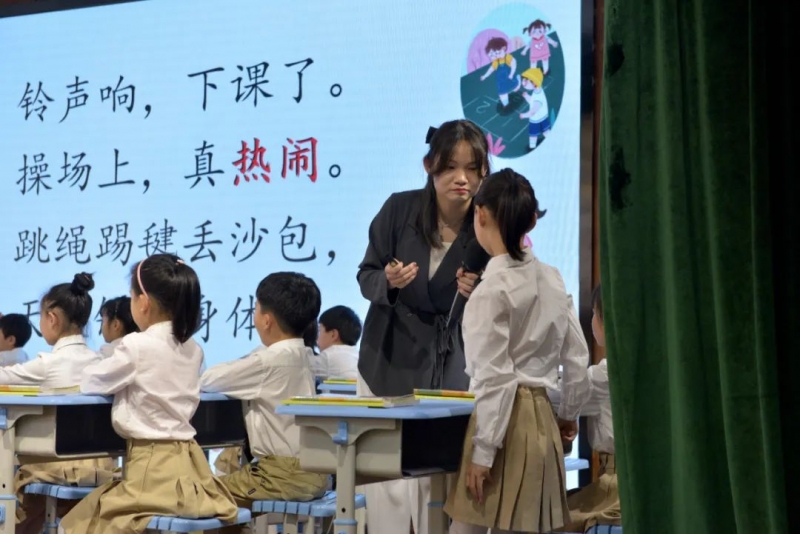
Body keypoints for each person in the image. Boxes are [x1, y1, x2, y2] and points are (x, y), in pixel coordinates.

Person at [356, 119, 489, 534]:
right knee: (387, 485)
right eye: (450, 167)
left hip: (449, 366)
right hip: (387, 357)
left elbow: (503, 291)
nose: (461, 179)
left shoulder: (487, 223)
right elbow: (366, 275)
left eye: (472, 168)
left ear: (484, 172)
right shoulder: (399, 209)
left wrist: (480, 292)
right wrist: (388, 282)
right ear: (429, 166)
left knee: (438, 479)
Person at [444, 169, 591, 533]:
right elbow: (577, 358)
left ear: (480, 215)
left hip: (501, 421)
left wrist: (483, 452)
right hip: (543, 417)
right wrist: (569, 413)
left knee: (467, 527)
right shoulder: (553, 277)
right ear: (532, 221)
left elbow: (495, 378)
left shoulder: (491, 290)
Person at [58, 254, 238, 533]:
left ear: (143, 302)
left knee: (76, 524)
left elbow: (93, 381)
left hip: (152, 470)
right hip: (193, 468)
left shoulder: (137, 345)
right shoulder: (193, 348)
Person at [201, 272, 329, 534]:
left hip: (279, 475)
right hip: (316, 471)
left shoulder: (267, 361)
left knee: (198, 495)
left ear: (267, 320)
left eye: (256, 309)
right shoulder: (305, 354)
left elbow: (209, 379)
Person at [0, 274, 115, 534]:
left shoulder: (47, 364)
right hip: (99, 467)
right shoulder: (100, 361)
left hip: (53, 468)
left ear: (52, 318)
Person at [560, 285, 622, 532]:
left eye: (594, 313)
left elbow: (565, 391)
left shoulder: (607, 374)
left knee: (545, 520)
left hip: (616, 488)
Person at [313, 305, 362, 379]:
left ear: (333, 334)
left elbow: (303, 370)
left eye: (320, 330)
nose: (317, 337)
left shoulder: (327, 356)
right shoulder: (359, 356)